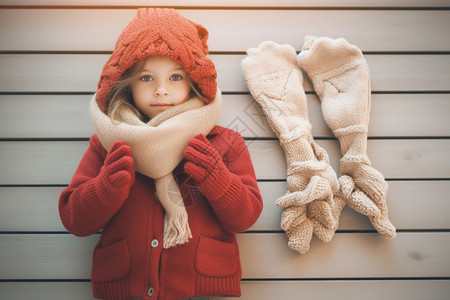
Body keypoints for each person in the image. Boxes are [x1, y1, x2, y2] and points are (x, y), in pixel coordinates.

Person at [59, 8, 263, 300]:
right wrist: (105, 188)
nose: (161, 91)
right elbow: (74, 219)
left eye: (176, 77)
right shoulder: (107, 143)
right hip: (125, 288)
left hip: (202, 288)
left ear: (194, 81)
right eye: (146, 78)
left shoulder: (223, 142)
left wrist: (216, 178)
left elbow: (245, 217)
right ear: (126, 82)